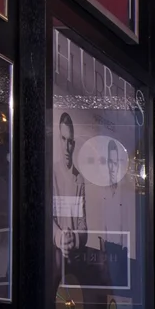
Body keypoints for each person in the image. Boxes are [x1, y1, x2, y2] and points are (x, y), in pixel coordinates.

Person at [53, 112, 91, 283]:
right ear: (58, 139)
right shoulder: (51, 173)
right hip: (53, 257)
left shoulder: (79, 179)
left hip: (75, 260)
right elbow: (46, 217)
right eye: (63, 139)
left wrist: (73, 238)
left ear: (74, 144)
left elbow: (83, 225)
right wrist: (60, 237)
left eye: (70, 141)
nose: (67, 147)